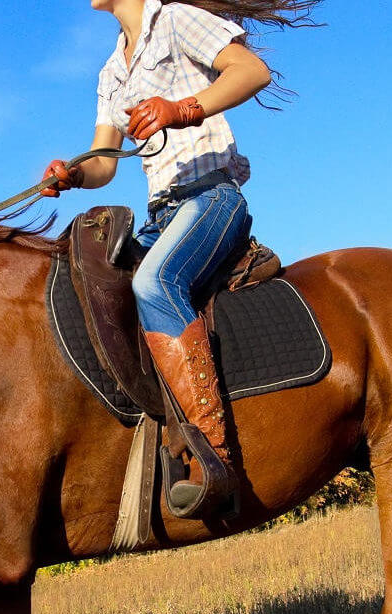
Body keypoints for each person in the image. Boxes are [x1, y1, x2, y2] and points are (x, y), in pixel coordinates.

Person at [42, 0, 320, 515]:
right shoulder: (111, 72)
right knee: (99, 288)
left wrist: (182, 108)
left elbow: (250, 70)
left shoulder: (173, 20)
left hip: (211, 197)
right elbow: (105, 159)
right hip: (158, 215)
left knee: (153, 284)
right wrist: (74, 174)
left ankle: (212, 455)